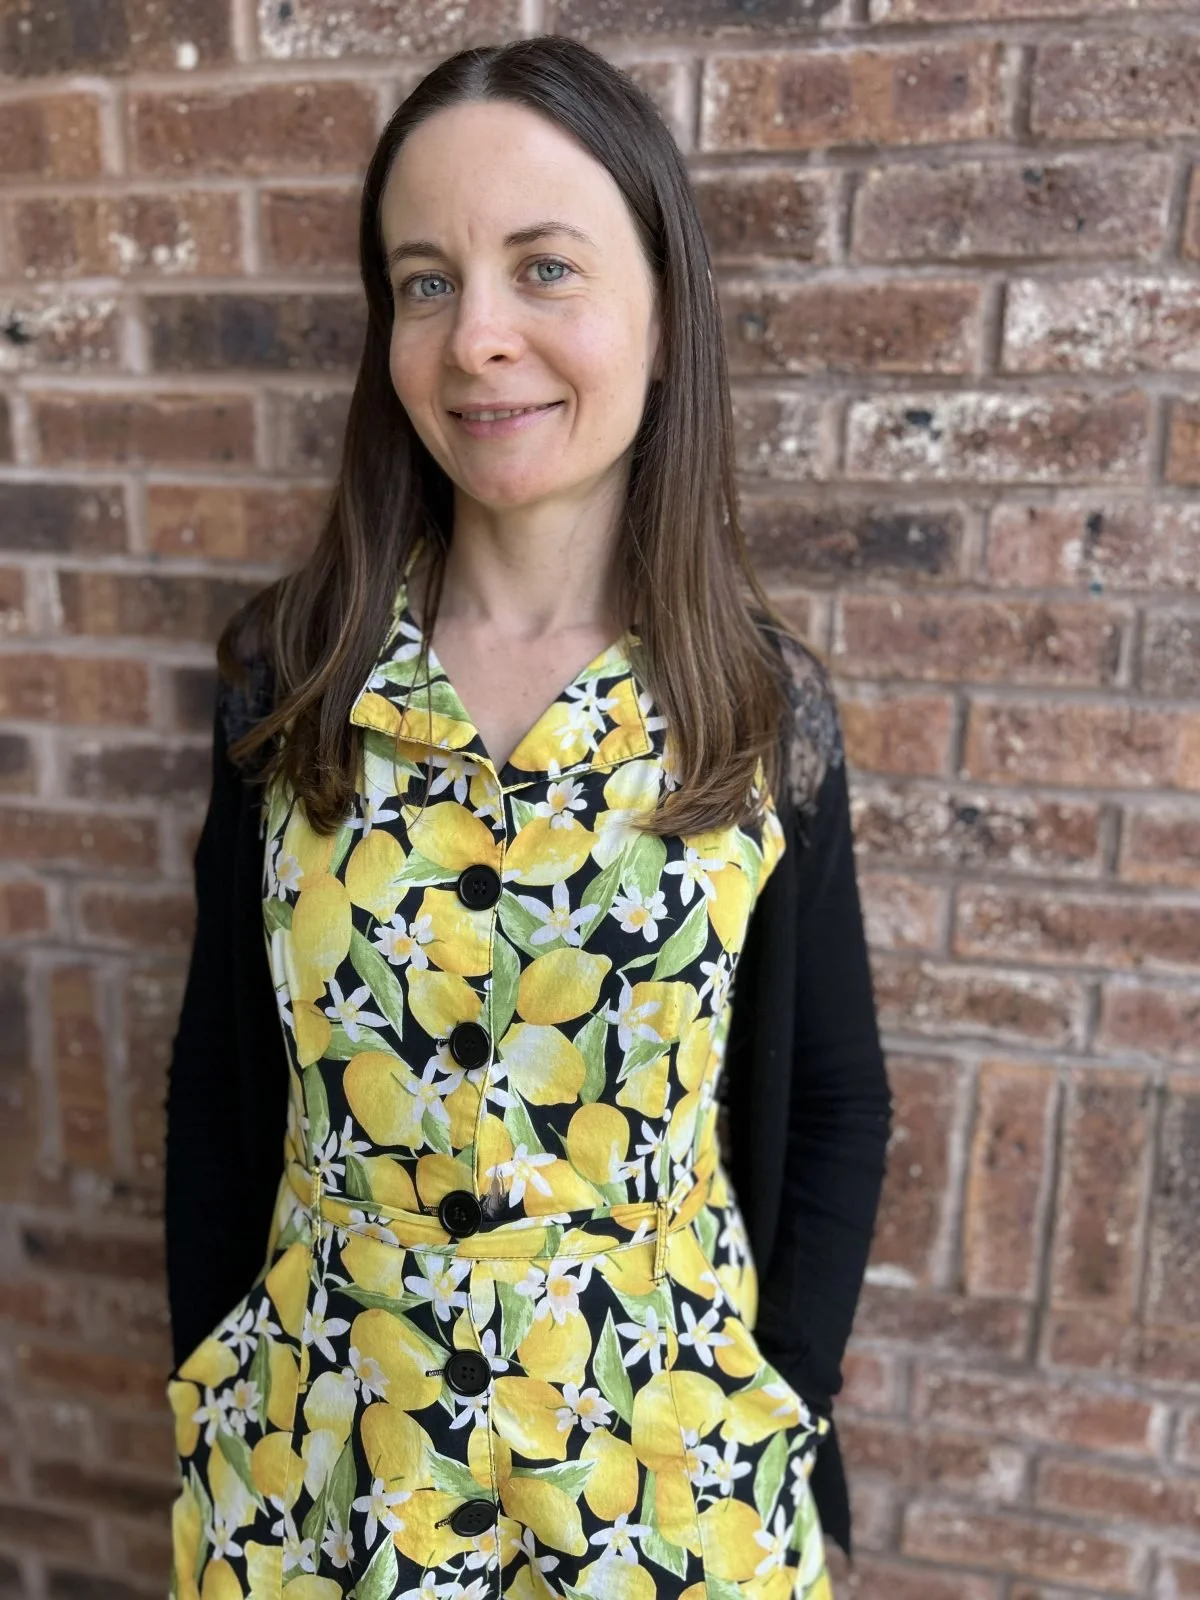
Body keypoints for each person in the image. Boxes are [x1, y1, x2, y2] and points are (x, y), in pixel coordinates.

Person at [163, 34, 893, 1600]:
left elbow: (836, 1102)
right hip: (322, 1488)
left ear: (661, 305)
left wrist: (783, 1406)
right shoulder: (288, 689)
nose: (478, 336)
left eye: (542, 267)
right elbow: (219, 1096)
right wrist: (215, 1392)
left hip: (668, 1507)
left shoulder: (755, 713)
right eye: (424, 284)